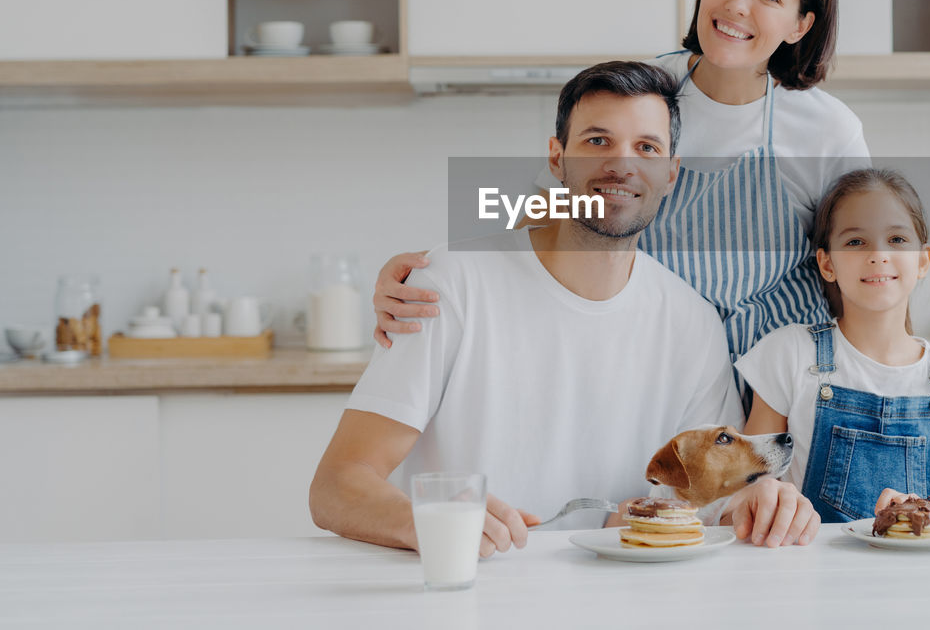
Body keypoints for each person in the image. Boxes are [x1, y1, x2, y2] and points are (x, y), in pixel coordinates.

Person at [372, 0, 930, 501]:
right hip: (656, 377)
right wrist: (430, 265)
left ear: (800, 25)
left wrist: (907, 393)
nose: (736, 5)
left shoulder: (826, 129)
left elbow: (868, 266)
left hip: (779, 401)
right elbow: (542, 202)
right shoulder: (644, 95)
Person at [310, 61, 820, 558]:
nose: (622, 164)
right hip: (466, 591)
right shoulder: (451, 283)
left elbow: (713, 498)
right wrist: (433, 521)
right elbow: (337, 484)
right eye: (597, 141)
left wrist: (761, 499)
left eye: (646, 147)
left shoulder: (693, 323)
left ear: (670, 173)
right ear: (557, 159)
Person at [735, 168, 930, 522]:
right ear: (827, 263)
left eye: (896, 239)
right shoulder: (789, 354)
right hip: (806, 570)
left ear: (923, 260)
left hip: (921, 575)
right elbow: (747, 491)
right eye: (855, 242)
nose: (878, 254)